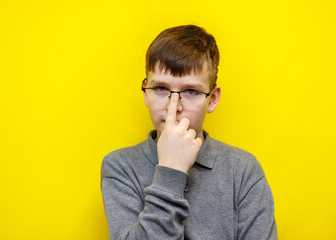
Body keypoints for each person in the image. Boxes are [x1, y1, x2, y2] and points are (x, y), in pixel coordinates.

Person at [101, 24, 277, 239]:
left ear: (211, 99)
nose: (173, 105)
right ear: (145, 93)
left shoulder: (243, 170)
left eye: (191, 91)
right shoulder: (120, 167)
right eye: (160, 88)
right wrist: (170, 171)